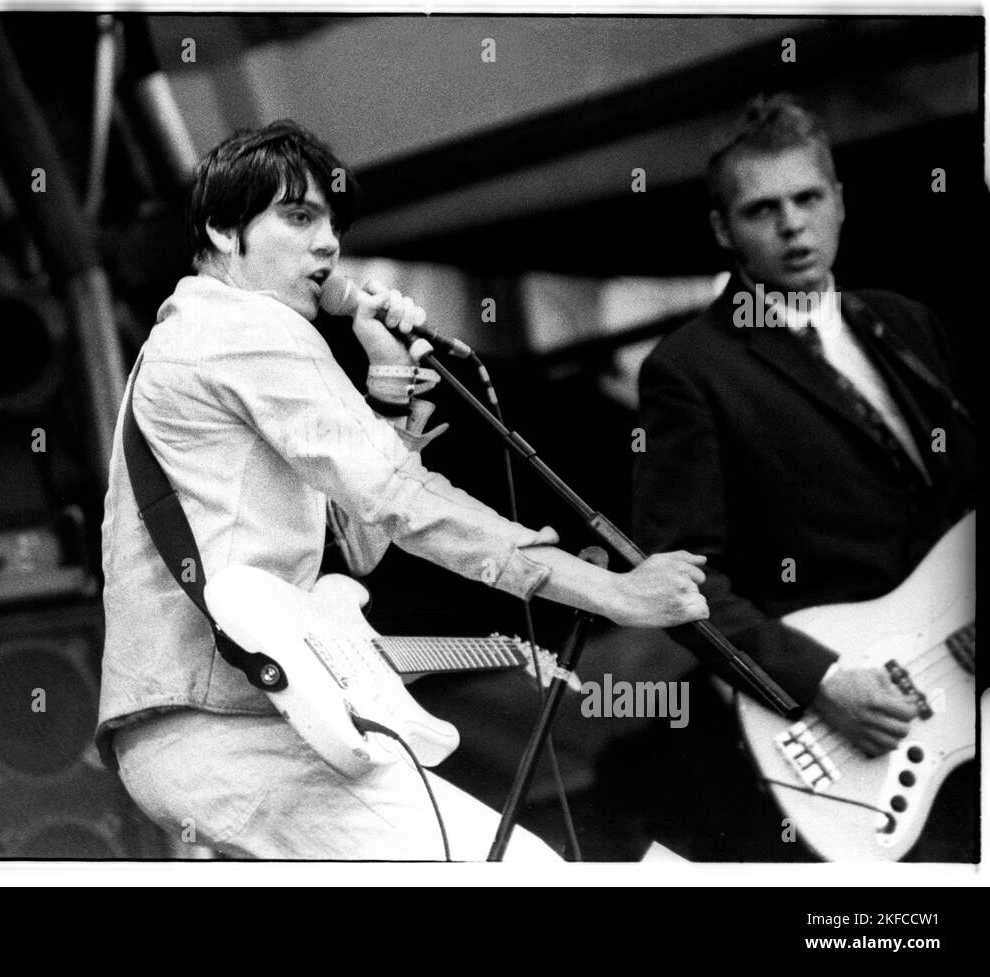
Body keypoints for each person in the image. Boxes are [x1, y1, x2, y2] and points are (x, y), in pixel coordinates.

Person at [95, 119, 710, 860]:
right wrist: (615, 593)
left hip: (231, 727)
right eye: (298, 217)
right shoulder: (244, 328)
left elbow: (359, 548)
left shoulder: (201, 338)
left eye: (333, 224)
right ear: (225, 231)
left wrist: (387, 381)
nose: (327, 243)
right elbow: (400, 497)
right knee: (519, 870)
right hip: (223, 723)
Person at [630, 94, 976, 861]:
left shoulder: (906, 324)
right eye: (763, 209)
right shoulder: (689, 371)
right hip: (850, 725)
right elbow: (680, 584)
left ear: (840, 203)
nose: (792, 225)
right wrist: (816, 681)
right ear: (724, 230)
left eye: (808, 198)